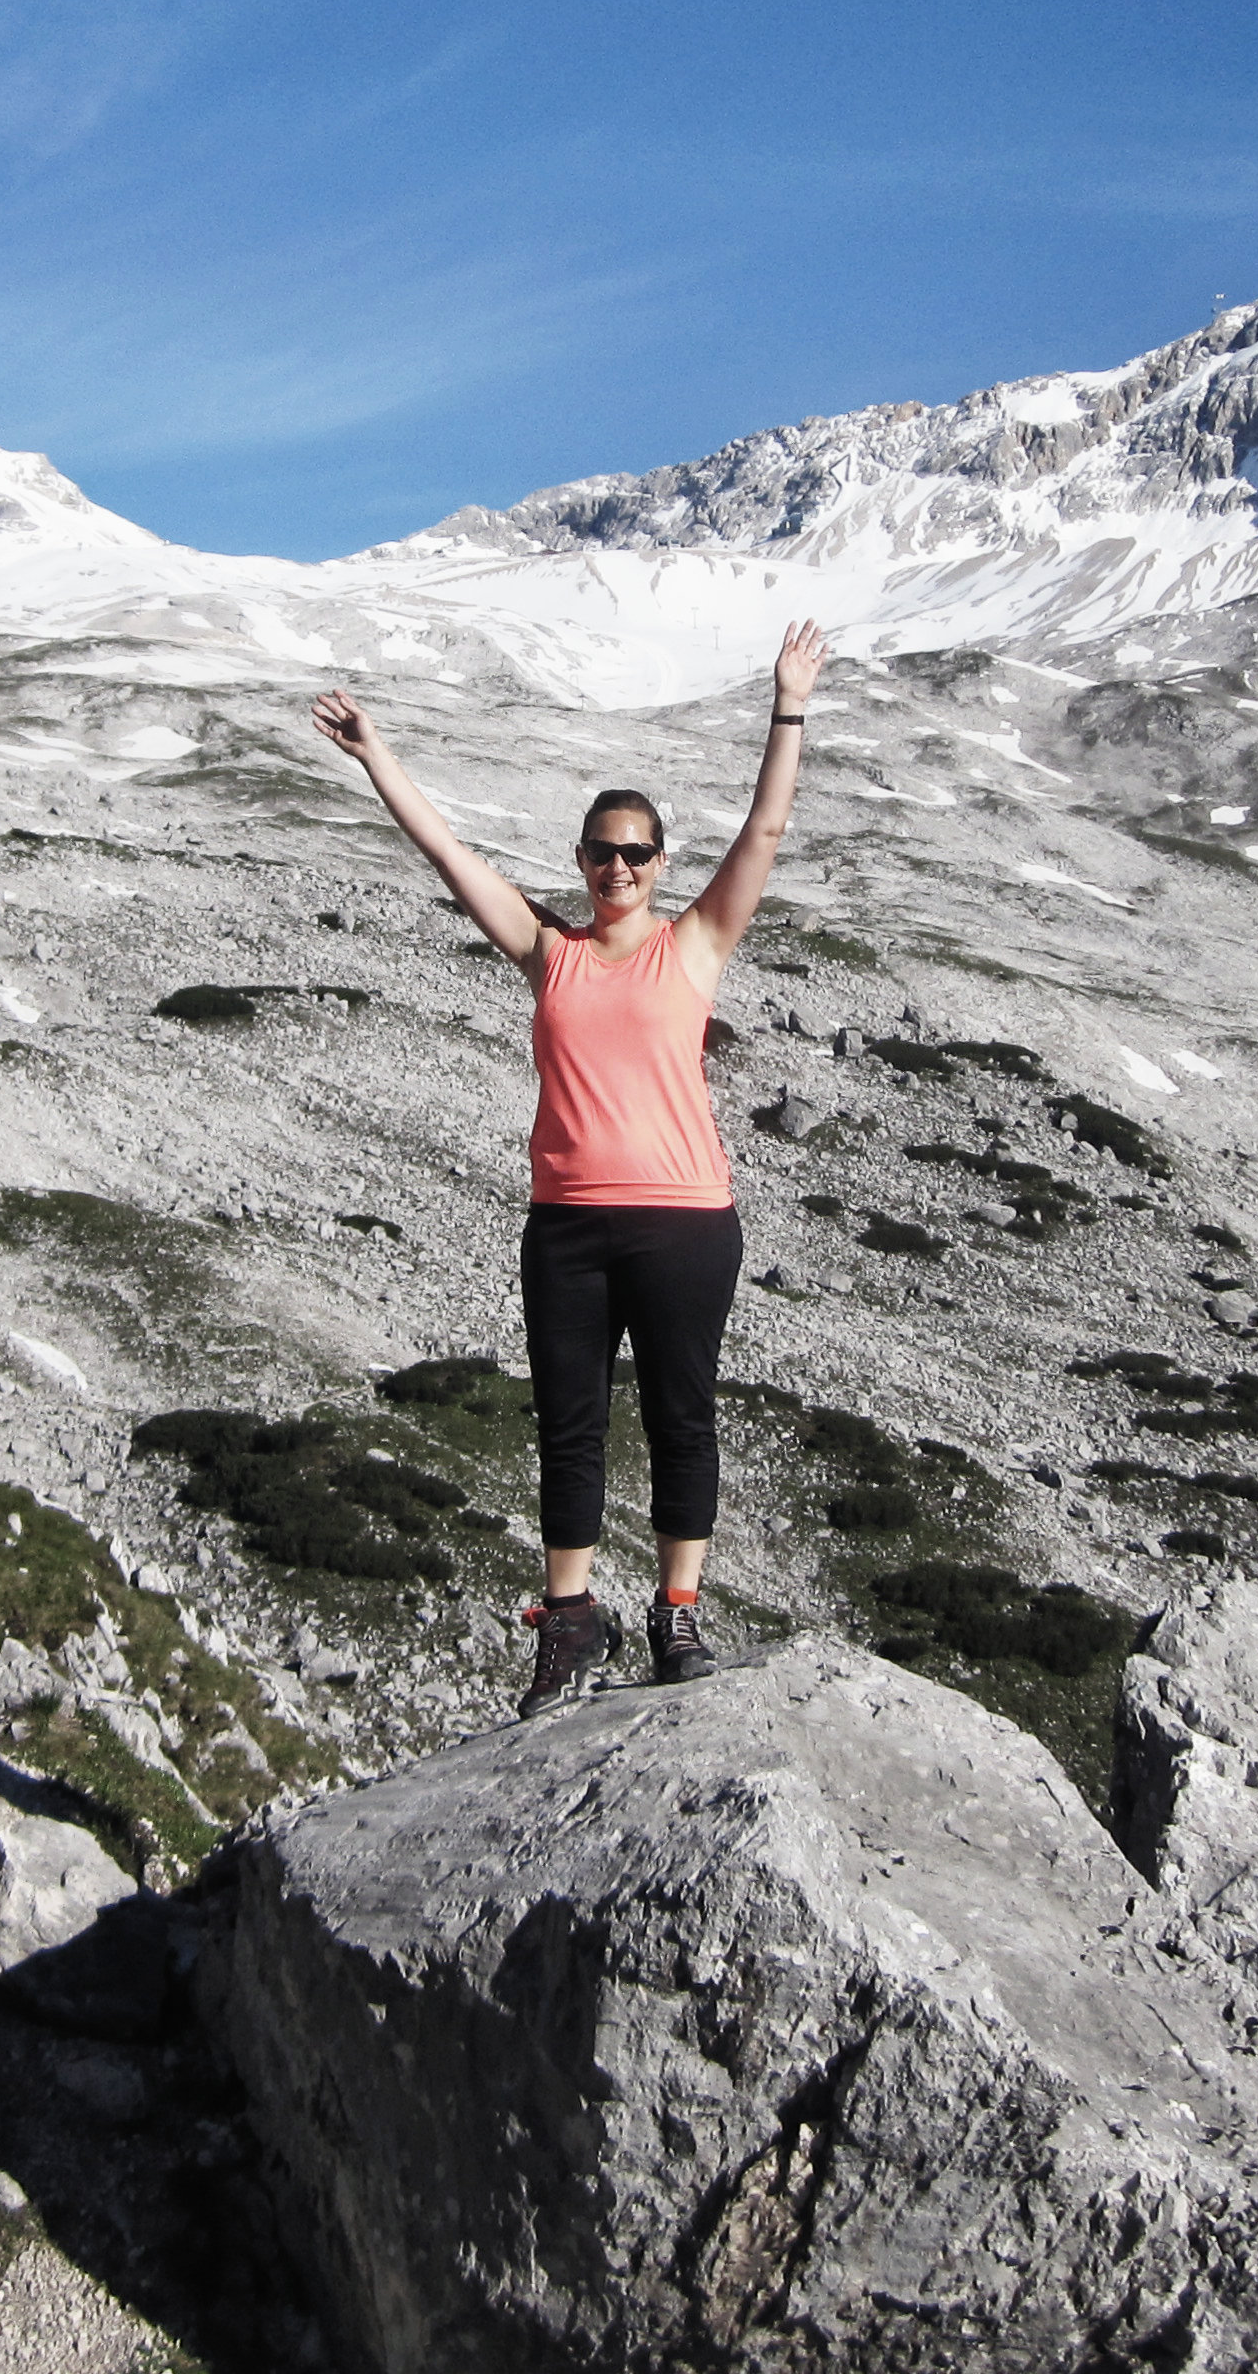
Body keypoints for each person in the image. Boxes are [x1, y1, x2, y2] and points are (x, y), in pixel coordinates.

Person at [310, 622, 828, 1716]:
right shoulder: (550, 952)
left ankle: (677, 1613)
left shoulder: (694, 943)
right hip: (567, 1230)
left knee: (682, 1419)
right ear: (582, 860)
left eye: (636, 853)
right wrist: (375, 755)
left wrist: (788, 704)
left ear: (660, 863)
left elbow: (767, 827)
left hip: (686, 1224)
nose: (618, 868)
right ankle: (570, 1621)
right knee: (569, 1426)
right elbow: (449, 856)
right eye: (601, 852)